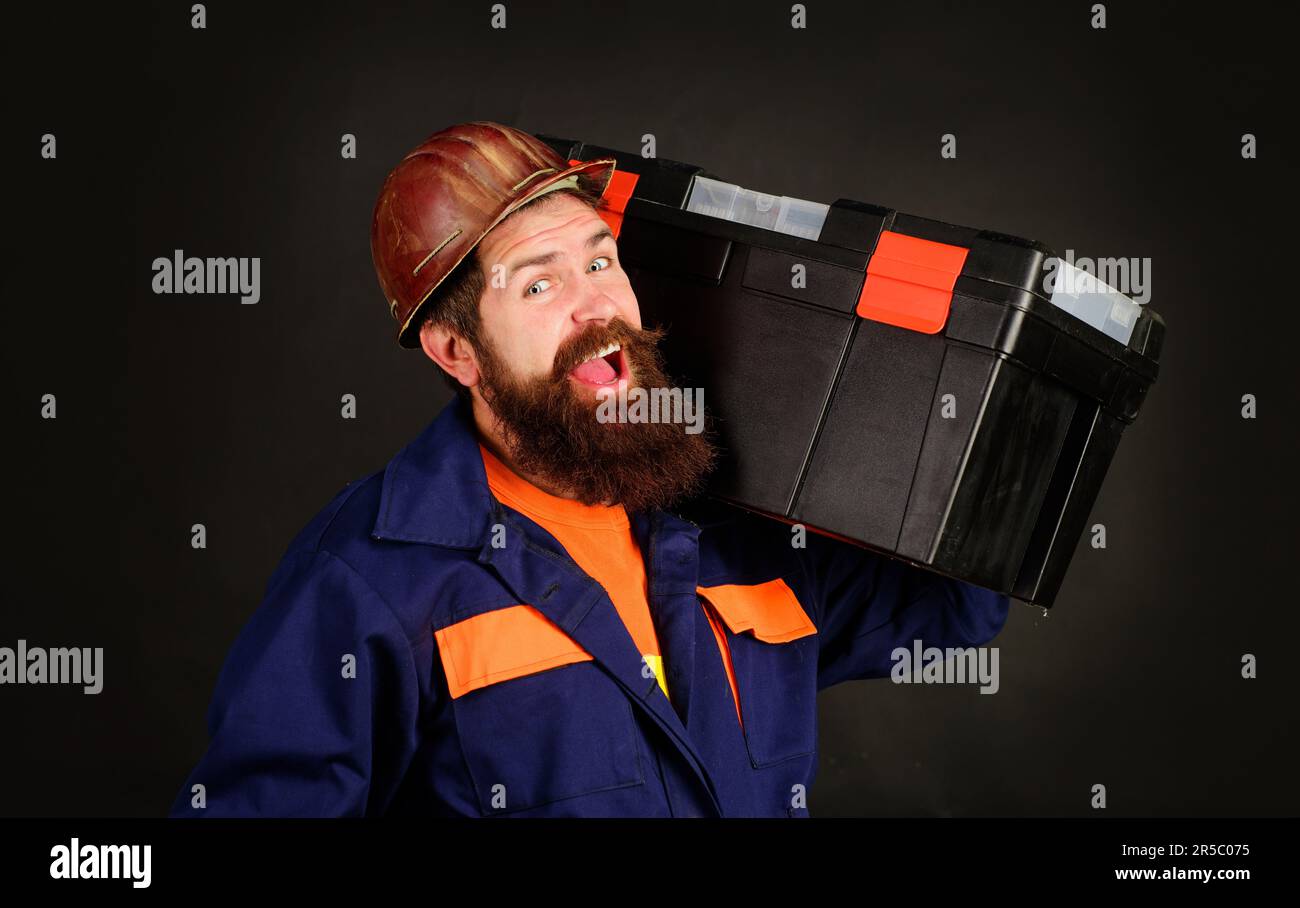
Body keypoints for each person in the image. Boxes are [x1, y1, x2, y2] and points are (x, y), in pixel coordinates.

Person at [168, 121, 1009, 817]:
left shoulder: (735, 527)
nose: (597, 304)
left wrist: (985, 420)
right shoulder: (370, 580)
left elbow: (953, 609)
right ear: (457, 349)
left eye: (600, 261)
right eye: (539, 287)